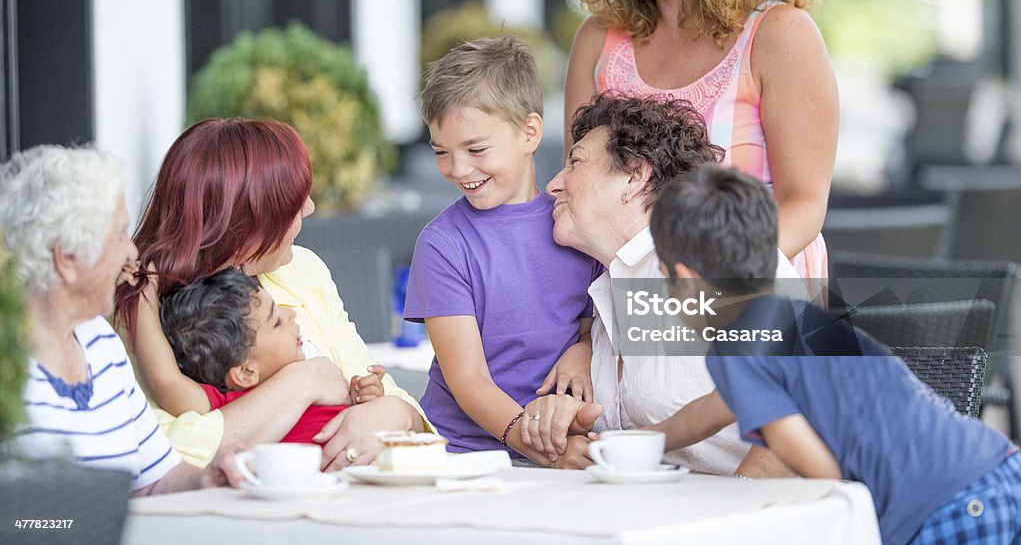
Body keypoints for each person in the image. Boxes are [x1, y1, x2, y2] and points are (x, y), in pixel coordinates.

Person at [644, 165, 1021, 545]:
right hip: (995, 466)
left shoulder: (740, 351)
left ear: (688, 280)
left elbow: (814, 465)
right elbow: (703, 415)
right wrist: (636, 442)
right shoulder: (795, 318)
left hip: (945, 503)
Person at [555, 0, 838, 281]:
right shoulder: (597, 40)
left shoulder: (779, 34)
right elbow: (575, 195)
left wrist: (701, 282)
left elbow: (804, 206)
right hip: (618, 302)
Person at [113, 118, 428, 470]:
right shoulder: (152, 314)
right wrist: (303, 381)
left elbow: (402, 406)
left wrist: (392, 412)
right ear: (245, 224)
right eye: (292, 202)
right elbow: (166, 454)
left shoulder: (301, 271)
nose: (309, 208)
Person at [528, 94, 799, 475]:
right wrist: (570, 438)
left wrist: (730, 519)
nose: (553, 185)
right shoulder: (612, 290)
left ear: (635, 175)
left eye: (575, 162)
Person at [0, 145, 243, 494]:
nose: (131, 252)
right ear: (67, 258)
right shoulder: (9, 363)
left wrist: (208, 477)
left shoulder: (100, 342)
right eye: (117, 234)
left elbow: (154, 479)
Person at [404, 37, 602, 467]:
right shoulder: (443, 244)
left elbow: (595, 328)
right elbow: (468, 378)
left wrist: (581, 351)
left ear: (529, 132)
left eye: (476, 149)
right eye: (442, 152)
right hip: (466, 454)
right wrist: (541, 448)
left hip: (564, 440)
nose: (458, 170)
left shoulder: (575, 225)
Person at [160, 268, 381, 446]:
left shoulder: (320, 380)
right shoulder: (230, 403)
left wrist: (364, 400)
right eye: (276, 321)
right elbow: (167, 383)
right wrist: (144, 300)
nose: (291, 314)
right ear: (246, 372)